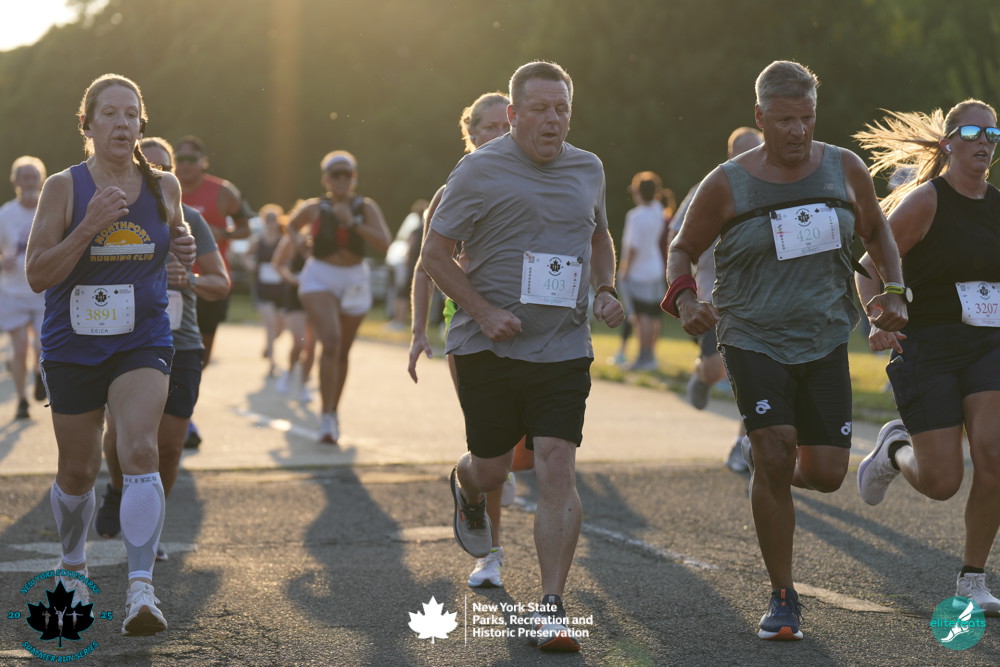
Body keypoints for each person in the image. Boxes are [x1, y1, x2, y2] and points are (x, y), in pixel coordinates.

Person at [665, 60, 907, 641]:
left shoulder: (844, 168)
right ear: (759, 116)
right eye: (784, 120)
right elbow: (682, 248)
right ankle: (782, 595)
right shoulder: (728, 182)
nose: (798, 131)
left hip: (824, 335)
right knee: (775, 455)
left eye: (807, 118)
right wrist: (685, 299)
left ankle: (766, 469)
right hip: (752, 334)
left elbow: (877, 232)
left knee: (825, 475)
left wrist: (895, 290)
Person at [422, 61, 625, 652]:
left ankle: (552, 607)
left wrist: (605, 288)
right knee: (493, 470)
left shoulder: (589, 168)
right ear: (512, 115)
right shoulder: (479, 170)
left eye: (562, 109)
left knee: (556, 464)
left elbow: (599, 235)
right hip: (489, 345)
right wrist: (484, 312)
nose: (552, 120)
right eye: (539, 109)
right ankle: (466, 485)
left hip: (562, 346)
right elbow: (434, 255)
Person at [25, 74, 196, 636]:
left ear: (141, 124)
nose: (123, 124)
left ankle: (141, 589)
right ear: (88, 124)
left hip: (142, 338)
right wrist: (89, 225)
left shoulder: (164, 186)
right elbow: (37, 274)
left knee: (141, 449)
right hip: (73, 344)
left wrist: (184, 247)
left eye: (132, 114)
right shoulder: (63, 187)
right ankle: (73, 568)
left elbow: (177, 242)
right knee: (78, 470)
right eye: (110, 114)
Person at [853, 101, 1000, 614]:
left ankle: (973, 580)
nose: (984, 142)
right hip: (928, 347)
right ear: (948, 143)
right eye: (973, 132)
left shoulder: (998, 206)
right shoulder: (926, 201)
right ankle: (895, 448)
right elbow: (868, 267)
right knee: (941, 482)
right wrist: (876, 319)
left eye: (993, 134)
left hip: (988, 345)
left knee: (994, 456)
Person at [93, 137, 230, 562]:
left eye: (163, 169)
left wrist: (189, 280)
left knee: (168, 447)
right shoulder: (112, 214)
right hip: (124, 340)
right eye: (147, 167)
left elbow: (221, 283)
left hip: (180, 343)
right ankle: (118, 489)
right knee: (121, 436)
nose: (156, 175)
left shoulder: (190, 220)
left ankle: (149, 526)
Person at [408, 91, 520, 590]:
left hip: (531, 325)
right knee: (490, 443)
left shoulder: (538, 179)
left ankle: (492, 472)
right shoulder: (453, 188)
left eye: (505, 126)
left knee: (525, 451)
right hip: (470, 326)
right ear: (471, 134)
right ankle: (489, 555)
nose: (498, 135)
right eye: (488, 127)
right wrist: (418, 331)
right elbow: (425, 265)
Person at [667, 127, 763, 472]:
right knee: (715, 369)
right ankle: (701, 375)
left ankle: (743, 445)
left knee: (753, 377)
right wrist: (683, 289)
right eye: (744, 152)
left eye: (757, 151)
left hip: (759, 301)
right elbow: (675, 237)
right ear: (730, 154)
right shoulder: (706, 188)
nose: (751, 159)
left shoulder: (772, 189)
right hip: (713, 297)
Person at [287, 151, 392, 443]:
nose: (342, 179)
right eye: (336, 174)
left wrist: (352, 222)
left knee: (342, 350)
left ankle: (333, 410)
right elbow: (291, 225)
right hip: (320, 276)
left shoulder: (365, 207)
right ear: (326, 179)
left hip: (354, 277)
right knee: (331, 341)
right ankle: (324, 416)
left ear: (354, 178)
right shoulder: (314, 207)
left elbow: (385, 242)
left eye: (347, 174)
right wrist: (299, 242)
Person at [0, 156, 47, 419]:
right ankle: (21, 400)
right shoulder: (5, 215)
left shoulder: (50, 211)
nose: (30, 182)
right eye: (25, 177)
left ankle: (39, 374)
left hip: (43, 292)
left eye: (34, 177)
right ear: (15, 182)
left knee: (42, 346)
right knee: (19, 349)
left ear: (41, 181)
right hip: (12, 293)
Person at [618, 171, 665, 371]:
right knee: (653, 315)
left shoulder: (636, 216)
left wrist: (625, 270)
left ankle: (643, 357)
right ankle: (651, 356)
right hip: (656, 267)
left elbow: (633, 247)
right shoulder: (658, 210)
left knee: (642, 315)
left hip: (639, 271)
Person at [272, 208, 316, 404]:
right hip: (295, 295)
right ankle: (289, 373)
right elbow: (278, 264)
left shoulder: (319, 240)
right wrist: (291, 278)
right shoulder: (290, 241)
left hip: (317, 296)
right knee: (299, 342)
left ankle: (304, 385)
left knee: (311, 345)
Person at [247, 204, 287, 377]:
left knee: (280, 326)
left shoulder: (283, 241)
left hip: (280, 289)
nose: (271, 222)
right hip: (262, 288)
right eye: (268, 219)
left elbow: (291, 259)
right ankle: (272, 364)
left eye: (274, 219)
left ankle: (268, 346)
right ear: (264, 221)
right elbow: (246, 256)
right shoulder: (258, 241)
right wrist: (250, 265)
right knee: (270, 325)